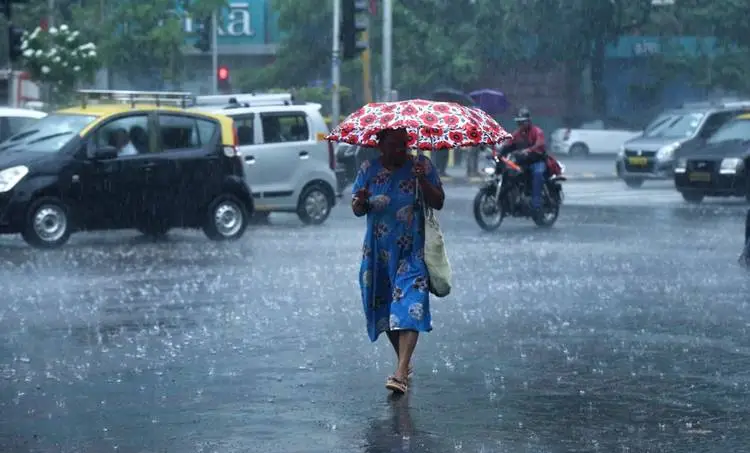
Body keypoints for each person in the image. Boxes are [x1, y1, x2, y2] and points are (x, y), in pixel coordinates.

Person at [351, 128, 445, 395]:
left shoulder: (421, 165)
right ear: (380, 146)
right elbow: (358, 208)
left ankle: (401, 373)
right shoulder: (368, 169)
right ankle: (404, 360)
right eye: (393, 145)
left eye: (403, 145)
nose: (399, 150)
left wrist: (422, 182)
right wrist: (361, 202)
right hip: (378, 253)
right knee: (386, 310)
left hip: (412, 252)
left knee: (410, 305)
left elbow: (438, 202)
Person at [504, 107, 547, 212]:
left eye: (523, 122)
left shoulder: (537, 132)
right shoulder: (517, 133)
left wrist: (528, 150)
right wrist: (498, 150)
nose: (520, 125)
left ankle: (536, 203)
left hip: (537, 161)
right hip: (523, 162)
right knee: (509, 172)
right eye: (519, 122)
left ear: (528, 121)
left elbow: (539, 145)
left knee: (537, 174)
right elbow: (508, 144)